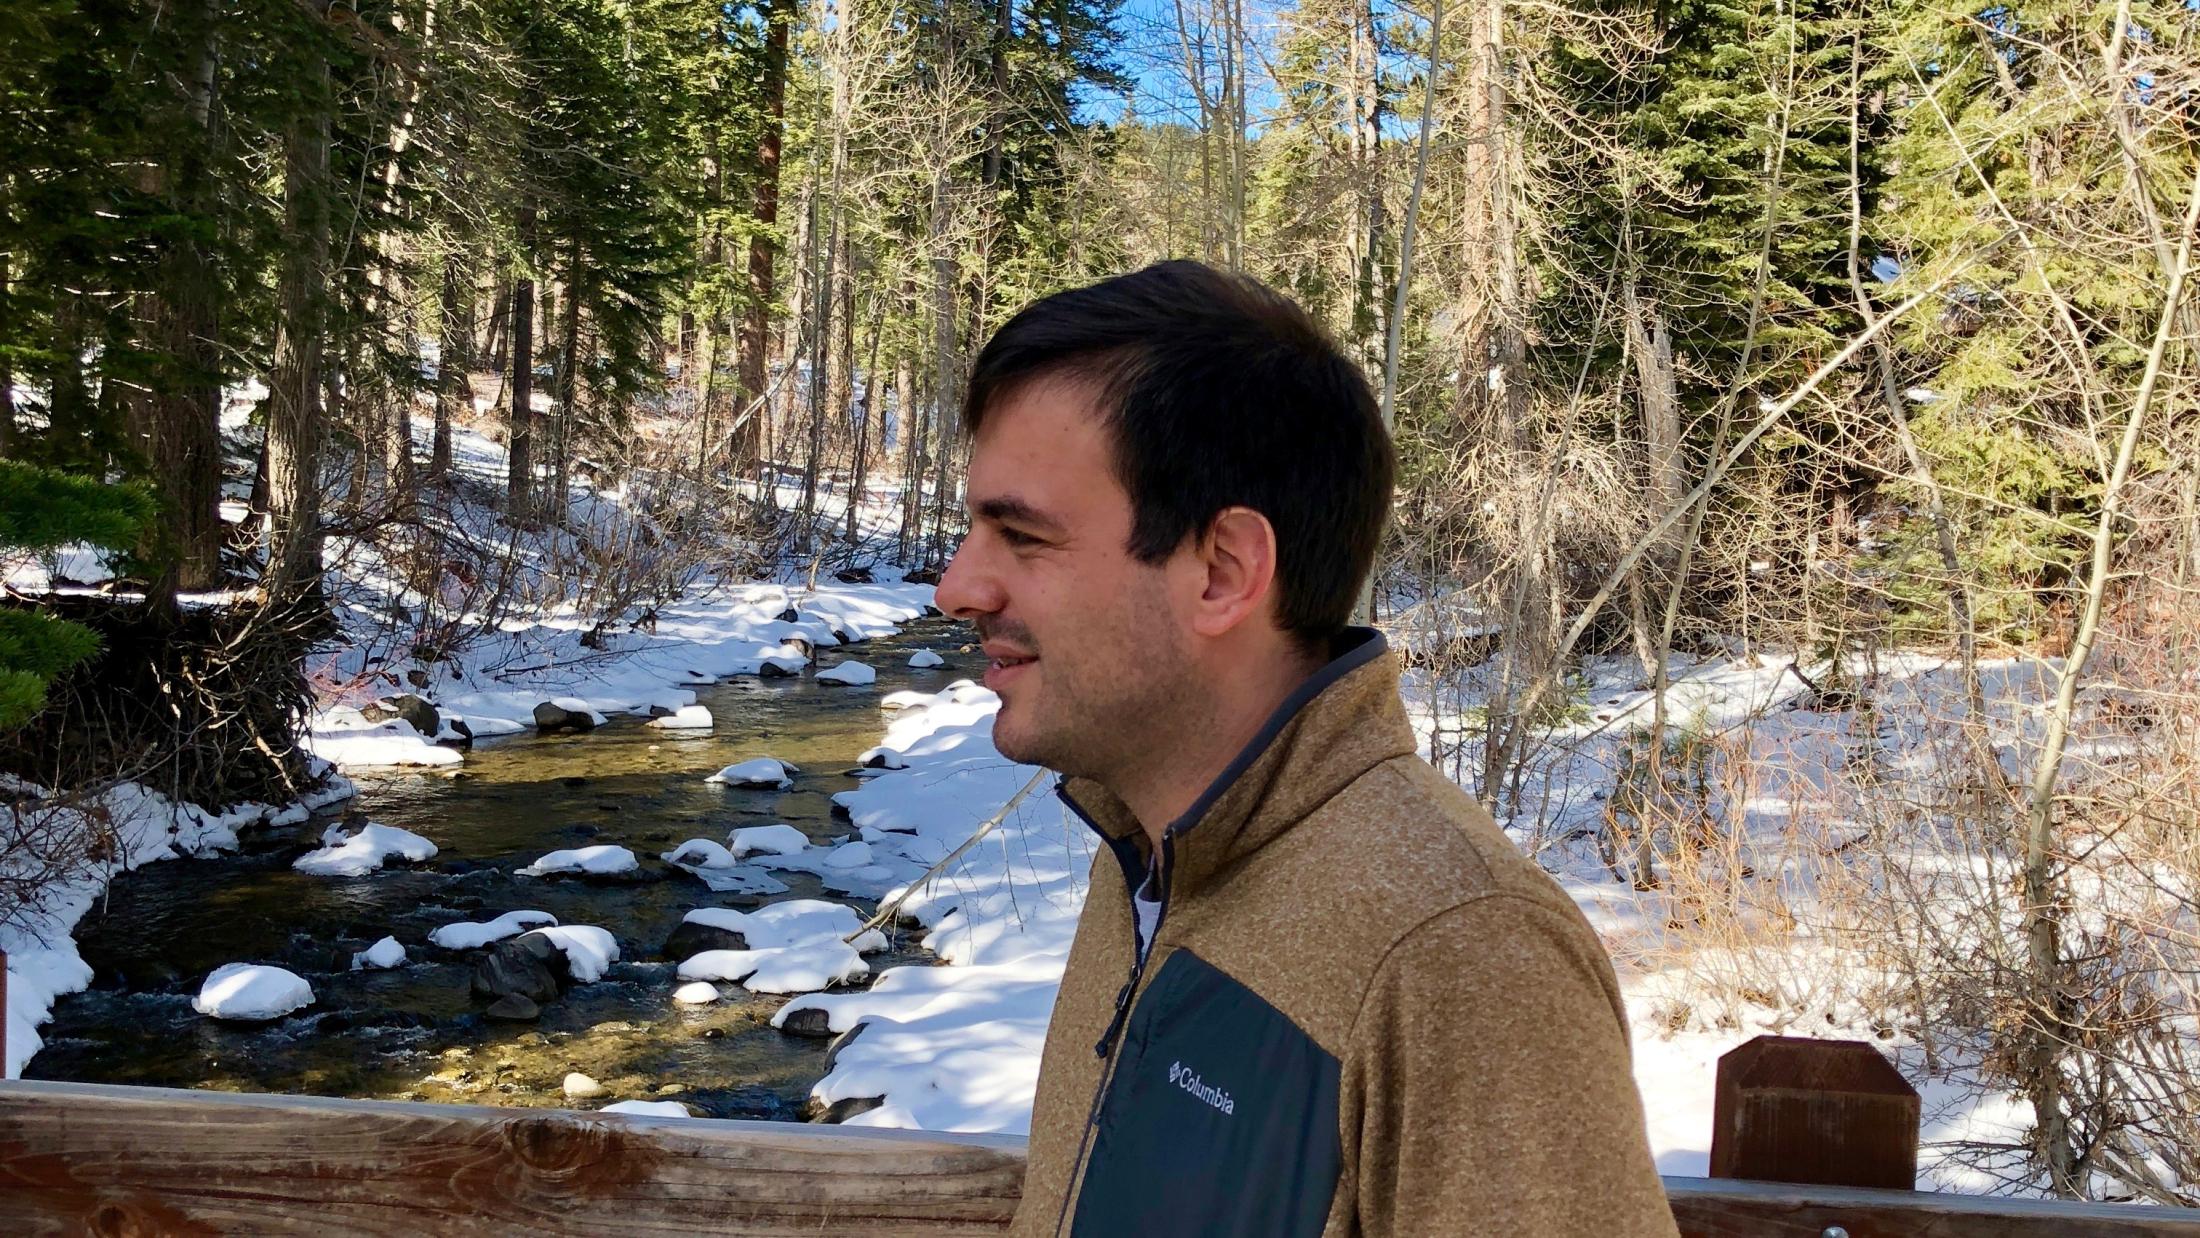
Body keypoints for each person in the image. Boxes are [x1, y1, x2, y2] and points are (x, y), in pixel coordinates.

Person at [935, 260, 1676, 1238]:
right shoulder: (1145, 856)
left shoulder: (1462, 952)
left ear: (1224, 570)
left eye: (1021, 537)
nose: (957, 587)